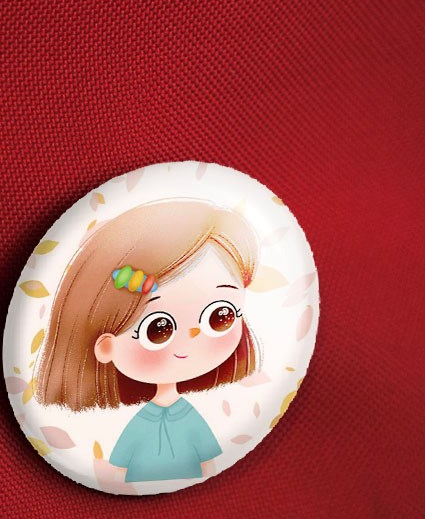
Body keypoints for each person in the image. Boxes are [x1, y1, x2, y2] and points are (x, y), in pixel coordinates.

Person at [35, 199, 260, 483]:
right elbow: (119, 469)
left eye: (220, 316)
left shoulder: (191, 416)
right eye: (158, 329)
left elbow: (209, 463)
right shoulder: (140, 423)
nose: (192, 338)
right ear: (106, 346)